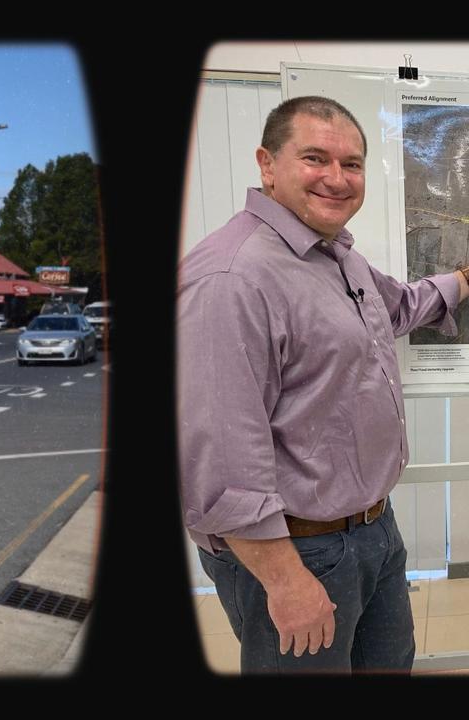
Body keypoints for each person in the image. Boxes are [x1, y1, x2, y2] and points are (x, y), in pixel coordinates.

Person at [177, 95, 469, 674]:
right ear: (267, 164)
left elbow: (399, 308)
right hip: (295, 552)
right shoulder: (232, 278)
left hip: (372, 531)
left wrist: (462, 279)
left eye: (352, 164)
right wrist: (286, 582)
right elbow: (221, 460)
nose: (337, 178)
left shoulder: (337, 257)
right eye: (315, 158)